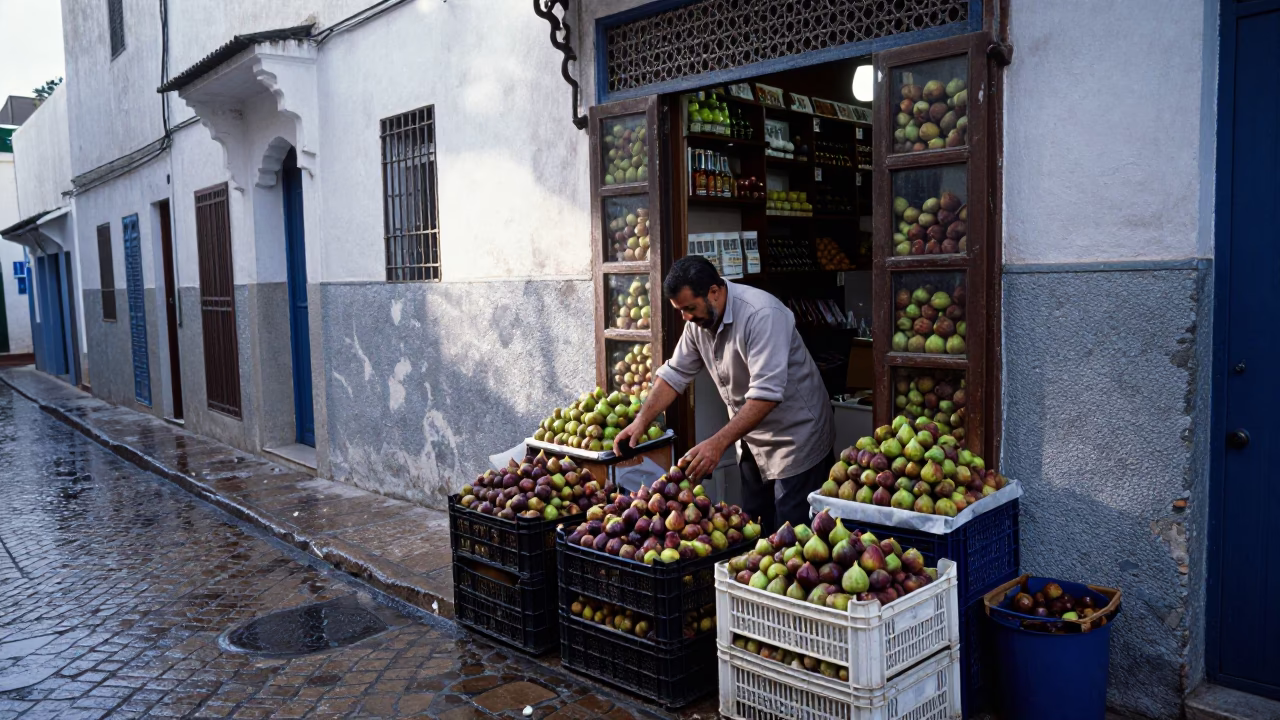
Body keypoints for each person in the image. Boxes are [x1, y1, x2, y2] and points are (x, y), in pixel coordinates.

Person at [614, 255, 835, 532]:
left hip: (796, 437)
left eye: (690, 308)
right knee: (756, 527)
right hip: (751, 441)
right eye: (680, 311)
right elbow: (675, 374)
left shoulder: (762, 315)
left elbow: (766, 394)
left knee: (793, 532)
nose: (686, 318)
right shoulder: (697, 323)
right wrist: (641, 421)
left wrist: (717, 444)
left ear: (714, 292)